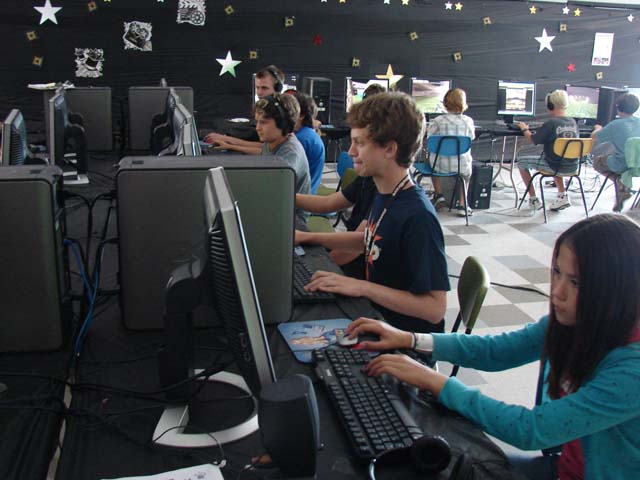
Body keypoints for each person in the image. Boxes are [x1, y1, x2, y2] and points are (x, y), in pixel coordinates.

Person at [347, 214, 640, 480]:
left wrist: (435, 381)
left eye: (576, 282)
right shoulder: (575, 323)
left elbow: (530, 430)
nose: (558, 291)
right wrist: (411, 339)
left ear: (617, 289)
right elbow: (497, 350)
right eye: (556, 272)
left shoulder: (632, 371)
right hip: (564, 466)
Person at [296, 92, 450, 334]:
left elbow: (434, 309)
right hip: (375, 316)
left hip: (402, 338)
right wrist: (308, 237)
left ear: (389, 149)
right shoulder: (385, 192)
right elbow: (369, 239)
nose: (350, 151)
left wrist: (362, 287)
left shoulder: (418, 217)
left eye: (359, 143)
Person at [517, 90, 579, 211]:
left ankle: (533, 199)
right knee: (558, 157)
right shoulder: (573, 122)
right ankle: (562, 195)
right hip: (572, 166)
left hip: (553, 166)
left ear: (550, 105)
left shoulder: (551, 123)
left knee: (521, 161)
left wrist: (524, 129)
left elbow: (534, 139)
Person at [203, 65, 285, 154]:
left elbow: (270, 148)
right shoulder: (263, 109)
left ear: (278, 89)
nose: (259, 93)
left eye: (264, 88)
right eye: (257, 87)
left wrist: (228, 140)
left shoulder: (282, 113)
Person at [254, 93, 311, 222]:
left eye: (263, 122)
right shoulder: (270, 142)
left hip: (293, 218)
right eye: (257, 121)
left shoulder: (290, 152)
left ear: (283, 124)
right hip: (277, 208)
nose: (257, 128)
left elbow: (273, 192)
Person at [427, 88, 475, 217]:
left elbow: (430, 139)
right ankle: (463, 205)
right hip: (461, 166)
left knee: (431, 161)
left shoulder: (437, 120)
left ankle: (439, 196)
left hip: (438, 166)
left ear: (445, 103)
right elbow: (471, 138)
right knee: (466, 174)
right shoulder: (468, 121)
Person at [590, 93, 640, 212]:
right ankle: (623, 185)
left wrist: (598, 129)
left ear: (618, 107)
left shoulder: (615, 125)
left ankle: (620, 183)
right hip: (638, 165)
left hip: (622, 164)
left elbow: (594, 137)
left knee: (597, 161)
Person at [290, 91, 325, 194]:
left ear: (301, 115)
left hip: (301, 196)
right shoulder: (307, 134)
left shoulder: (302, 139)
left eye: (289, 111)